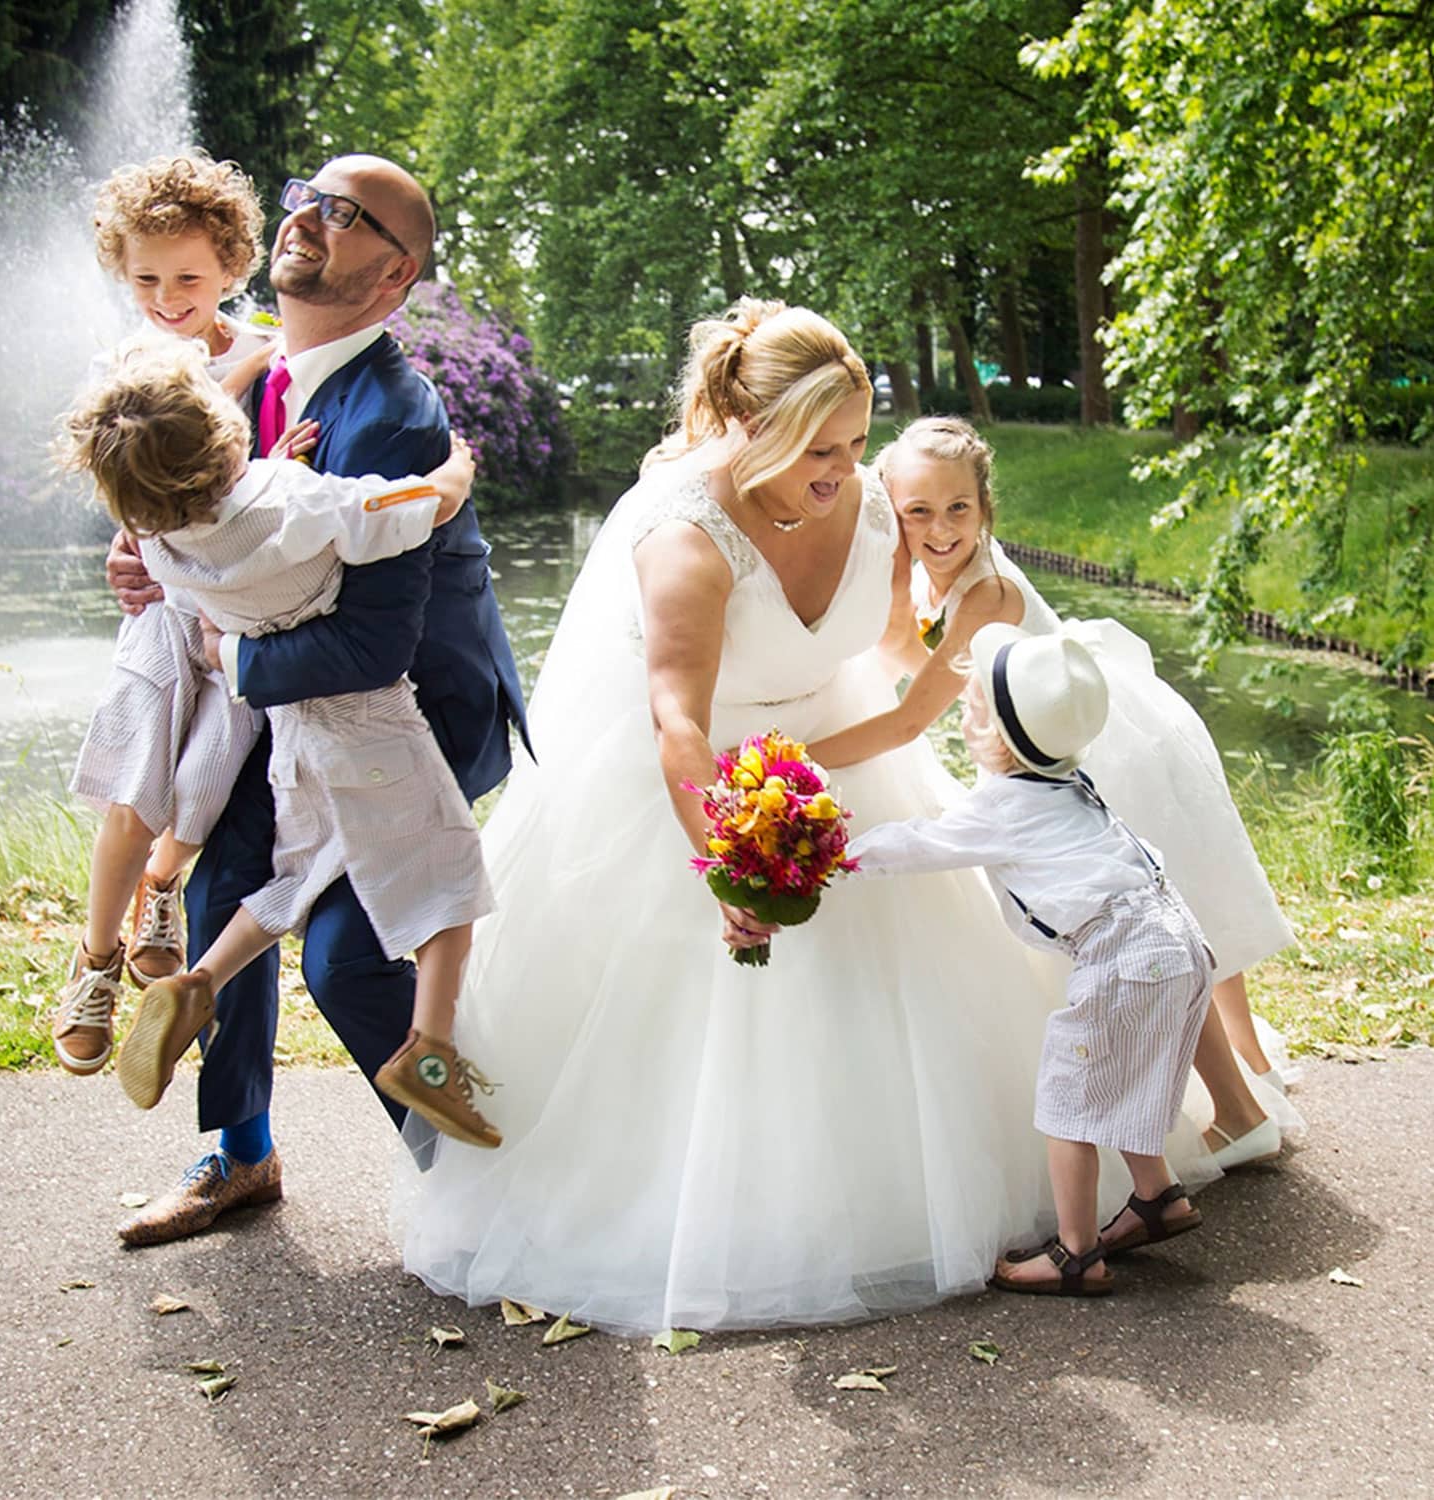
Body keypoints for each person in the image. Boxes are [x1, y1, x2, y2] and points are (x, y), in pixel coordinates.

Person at [391, 299, 1216, 1334]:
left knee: (918, 981)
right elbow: (679, 727)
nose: (845, 471)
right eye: (819, 448)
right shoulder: (685, 539)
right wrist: (728, 861)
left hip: (842, 749)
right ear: (750, 425)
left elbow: (899, 643)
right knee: (718, 1020)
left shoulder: (868, 504)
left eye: (857, 443)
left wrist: (994, 669)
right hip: (708, 783)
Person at [107, 155, 529, 1247]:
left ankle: (497, 1202)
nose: (310, 219)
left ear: (395, 276)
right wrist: (146, 561)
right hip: (293, 697)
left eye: (348, 216)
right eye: (308, 198)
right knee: (226, 878)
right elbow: (213, 520)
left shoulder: (392, 416)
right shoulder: (248, 374)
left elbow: (374, 639)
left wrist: (228, 653)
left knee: (344, 953)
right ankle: (240, 1152)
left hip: (411, 705)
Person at [809, 416, 1302, 1178]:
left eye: (959, 509)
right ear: (894, 513)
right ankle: (1248, 1083)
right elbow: (923, 661)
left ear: (985, 507)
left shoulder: (987, 592)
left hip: (1097, 755)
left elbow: (910, 719)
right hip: (1060, 747)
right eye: (918, 512)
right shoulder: (940, 577)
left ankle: (1240, 1113)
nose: (941, 529)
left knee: (1151, 930)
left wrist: (791, 756)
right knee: (1174, 922)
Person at [60, 342, 501, 1146]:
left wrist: (260, 463)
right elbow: (416, 508)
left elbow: (218, 511)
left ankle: (197, 983)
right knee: (449, 882)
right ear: (229, 437)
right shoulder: (298, 503)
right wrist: (457, 471)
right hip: (372, 727)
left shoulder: (160, 544)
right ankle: (429, 1051)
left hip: (289, 737)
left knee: (294, 881)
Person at [850, 626, 1215, 1296]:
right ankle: (1156, 1196)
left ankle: (1076, 1255)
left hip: (1124, 954)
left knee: (1068, 1101)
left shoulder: (1004, 805)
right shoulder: (1068, 781)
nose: (963, 718)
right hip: (1177, 939)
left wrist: (836, 853)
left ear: (1000, 741)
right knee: (1129, 1073)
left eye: (972, 711)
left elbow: (920, 844)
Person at [55, 154, 275, 1077]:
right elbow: (137, 472)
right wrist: (122, 541)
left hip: (243, 609)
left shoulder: (270, 350)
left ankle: (160, 885)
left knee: (210, 772)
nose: (167, 298)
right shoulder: (128, 366)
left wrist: (255, 361)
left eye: (187, 278)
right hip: (161, 606)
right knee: (137, 785)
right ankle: (95, 959)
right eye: (145, 280)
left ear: (231, 266)